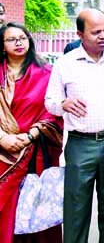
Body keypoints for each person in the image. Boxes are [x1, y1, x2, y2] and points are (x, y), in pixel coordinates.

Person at [45, 9, 104, 243]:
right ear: (80, 34)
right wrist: (64, 103)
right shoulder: (65, 64)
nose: (103, 36)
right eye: (96, 32)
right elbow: (50, 102)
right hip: (81, 144)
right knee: (76, 210)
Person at [0, 23, 63, 243]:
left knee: (36, 213)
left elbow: (54, 112)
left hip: (35, 154)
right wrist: (3, 138)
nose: (18, 43)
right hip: (2, 154)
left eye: (22, 38)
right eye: (11, 39)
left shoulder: (45, 72)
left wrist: (29, 136)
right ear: (2, 44)